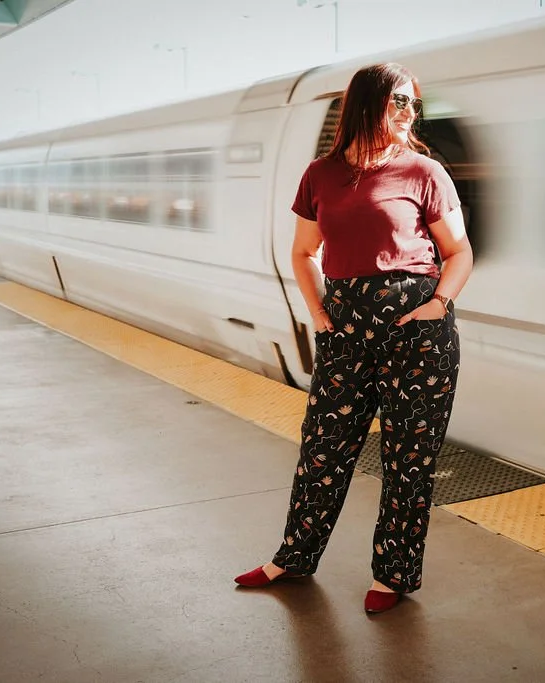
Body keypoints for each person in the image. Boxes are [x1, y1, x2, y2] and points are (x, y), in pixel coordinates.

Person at [234, 62, 473, 614]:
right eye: (399, 102)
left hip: (418, 332)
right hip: (345, 329)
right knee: (323, 448)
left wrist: (438, 305)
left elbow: (459, 253)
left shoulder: (424, 172)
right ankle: (294, 557)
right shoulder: (320, 174)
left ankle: (393, 575)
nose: (409, 112)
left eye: (413, 103)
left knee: (408, 457)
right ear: (367, 105)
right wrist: (318, 313)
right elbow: (302, 253)